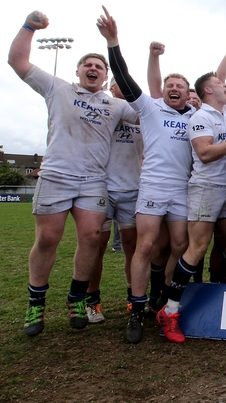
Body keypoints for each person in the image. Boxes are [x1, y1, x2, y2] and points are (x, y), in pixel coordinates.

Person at [8, 10, 138, 336]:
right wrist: (29, 27)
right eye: (88, 65)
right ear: (77, 71)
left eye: (99, 66)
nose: (93, 69)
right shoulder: (58, 89)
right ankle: (36, 302)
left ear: (106, 76)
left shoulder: (116, 106)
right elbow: (18, 61)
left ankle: (77, 297)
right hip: (56, 174)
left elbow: (150, 114)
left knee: (92, 238)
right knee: (48, 238)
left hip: (93, 180)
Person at [97, 6, 195, 343]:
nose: (174, 88)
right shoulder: (150, 108)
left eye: (180, 85)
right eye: (170, 84)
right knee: (147, 245)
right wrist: (113, 41)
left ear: (187, 93)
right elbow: (123, 77)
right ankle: (136, 310)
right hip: (152, 185)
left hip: (182, 189)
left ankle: (164, 298)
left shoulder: (196, 116)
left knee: (181, 245)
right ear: (163, 90)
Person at [156, 71, 226, 343]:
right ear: (208, 91)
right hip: (205, 188)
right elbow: (205, 154)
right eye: (220, 84)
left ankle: (218, 292)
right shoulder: (201, 117)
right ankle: (170, 310)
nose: (225, 86)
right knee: (197, 248)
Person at [86, 79, 143, 323]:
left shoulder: (142, 113)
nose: (121, 86)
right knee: (96, 247)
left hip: (132, 189)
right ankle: (92, 302)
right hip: (103, 188)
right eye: (117, 83)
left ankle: (133, 298)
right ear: (110, 89)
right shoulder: (103, 112)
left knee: (132, 247)